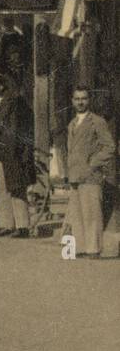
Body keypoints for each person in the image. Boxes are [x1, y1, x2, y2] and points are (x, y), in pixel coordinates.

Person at [64, 87, 114, 258]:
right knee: (77, 214)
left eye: (84, 98)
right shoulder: (71, 123)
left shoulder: (97, 121)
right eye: (77, 98)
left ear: (89, 100)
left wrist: (93, 163)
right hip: (75, 175)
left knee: (92, 214)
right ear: (72, 101)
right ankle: (82, 248)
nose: (80, 102)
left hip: (91, 175)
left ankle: (94, 249)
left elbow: (109, 147)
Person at [0, 72, 34, 238]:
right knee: (2, 188)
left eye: (0, 82)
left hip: (12, 150)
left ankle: (22, 226)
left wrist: (16, 149)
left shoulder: (14, 101)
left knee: (16, 187)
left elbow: (18, 127)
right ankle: (7, 224)